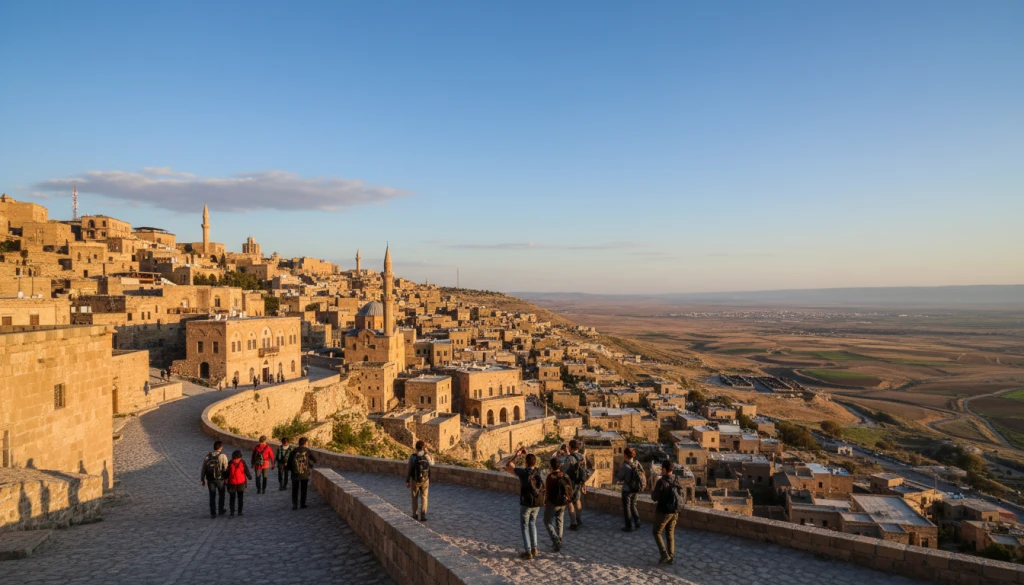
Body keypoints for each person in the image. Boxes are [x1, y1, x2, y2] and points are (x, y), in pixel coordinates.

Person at [504, 447, 545, 560]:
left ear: (525, 462)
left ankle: (528, 551)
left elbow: (508, 465)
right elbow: (533, 462)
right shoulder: (538, 471)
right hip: (537, 502)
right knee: (533, 523)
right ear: (535, 462)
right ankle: (534, 547)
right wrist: (528, 455)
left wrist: (516, 455)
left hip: (526, 502)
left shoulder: (522, 473)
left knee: (524, 525)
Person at [651, 460, 685, 564]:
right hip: (675, 511)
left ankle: (664, 554)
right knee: (670, 533)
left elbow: (654, 497)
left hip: (664, 511)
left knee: (656, 532)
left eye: (662, 469)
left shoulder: (661, 482)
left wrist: (654, 485)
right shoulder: (676, 479)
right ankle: (671, 556)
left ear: (665, 469)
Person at [544, 457, 573, 552]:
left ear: (551, 466)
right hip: (563, 502)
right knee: (560, 520)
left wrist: (545, 501)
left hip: (553, 503)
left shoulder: (550, 477)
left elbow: (547, 491)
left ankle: (556, 540)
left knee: (547, 521)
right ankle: (560, 539)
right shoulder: (565, 476)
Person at [616, 447, 645, 532]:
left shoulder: (625, 466)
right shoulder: (636, 463)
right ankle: (637, 521)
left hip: (627, 490)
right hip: (635, 489)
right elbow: (642, 472)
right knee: (633, 505)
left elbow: (620, 477)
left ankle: (628, 526)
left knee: (627, 507)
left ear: (625, 455)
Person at [562, 440, 589, 530]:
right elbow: (584, 471)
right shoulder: (582, 457)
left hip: (570, 484)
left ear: (571, 447)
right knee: (577, 500)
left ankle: (573, 523)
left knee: (570, 503)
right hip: (579, 483)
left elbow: (564, 471)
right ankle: (579, 519)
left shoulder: (569, 458)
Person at [200, 440, 229, 519]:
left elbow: (203, 468)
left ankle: (213, 512)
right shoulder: (223, 456)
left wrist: (202, 479)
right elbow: (226, 467)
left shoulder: (208, 456)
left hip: (210, 479)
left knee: (212, 495)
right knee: (221, 494)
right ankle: (221, 510)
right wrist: (227, 478)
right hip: (220, 478)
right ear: (221, 447)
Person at [406, 440, 434, 521]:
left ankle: (415, 515)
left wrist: (407, 480)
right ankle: (423, 515)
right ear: (423, 447)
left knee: (414, 497)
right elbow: (432, 464)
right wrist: (430, 454)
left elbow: (409, 469)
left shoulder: (413, 457)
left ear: (416, 448)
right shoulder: (426, 456)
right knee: (424, 497)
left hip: (415, 480)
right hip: (425, 480)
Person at [287, 437, 316, 510]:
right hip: (304, 473)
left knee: (295, 490)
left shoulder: (294, 451)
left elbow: (289, 462)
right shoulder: (307, 451)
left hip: (295, 474)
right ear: (305, 443)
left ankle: (294, 504)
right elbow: (314, 459)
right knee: (304, 489)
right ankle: (302, 504)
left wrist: (290, 469)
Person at [226, 450, 252, 517]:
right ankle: (240, 512)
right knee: (240, 498)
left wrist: (225, 480)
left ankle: (232, 513)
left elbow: (226, 473)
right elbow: (246, 470)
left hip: (232, 483)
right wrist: (249, 476)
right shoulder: (242, 462)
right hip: (241, 482)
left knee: (232, 499)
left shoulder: (230, 463)